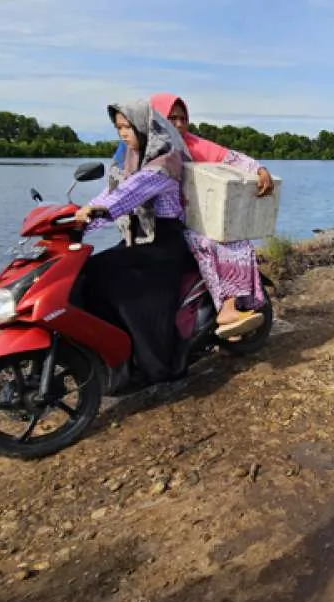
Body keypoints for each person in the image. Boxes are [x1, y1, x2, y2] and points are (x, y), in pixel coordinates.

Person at [74, 100, 195, 384]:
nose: (123, 134)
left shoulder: (165, 162)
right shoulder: (131, 161)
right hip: (139, 242)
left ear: (144, 126)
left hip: (164, 246)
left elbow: (131, 193)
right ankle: (117, 355)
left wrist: (96, 212)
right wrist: (74, 219)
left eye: (128, 127)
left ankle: (153, 362)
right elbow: (109, 193)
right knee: (86, 268)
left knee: (104, 271)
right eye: (119, 129)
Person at [149, 92, 275, 339]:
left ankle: (230, 307)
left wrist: (260, 169)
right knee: (207, 242)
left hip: (195, 220)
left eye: (182, 118)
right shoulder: (146, 150)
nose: (177, 124)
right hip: (162, 225)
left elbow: (231, 158)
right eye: (170, 117)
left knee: (233, 239)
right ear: (156, 120)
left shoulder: (193, 145)